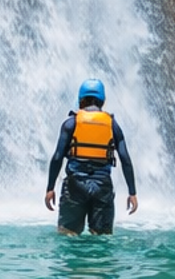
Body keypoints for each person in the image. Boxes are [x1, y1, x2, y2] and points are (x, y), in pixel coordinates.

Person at [44, 78, 138, 235]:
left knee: (67, 235)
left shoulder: (71, 123)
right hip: (102, 187)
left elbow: (57, 157)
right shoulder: (112, 125)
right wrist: (132, 193)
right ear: (103, 101)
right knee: (101, 239)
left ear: (81, 100)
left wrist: (50, 188)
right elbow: (125, 160)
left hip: (75, 186)